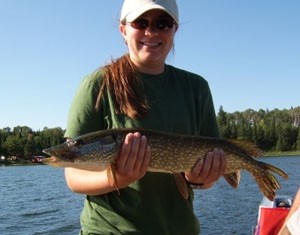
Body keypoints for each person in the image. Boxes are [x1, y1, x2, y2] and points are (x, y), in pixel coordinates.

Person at [64, 0, 226, 234]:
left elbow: (208, 176)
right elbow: (74, 177)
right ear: (123, 29)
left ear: (175, 30)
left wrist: (200, 178)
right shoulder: (97, 85)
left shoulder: (196, 88)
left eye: (163, 23)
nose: (151, 32)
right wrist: (118, 178)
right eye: (141, 22)